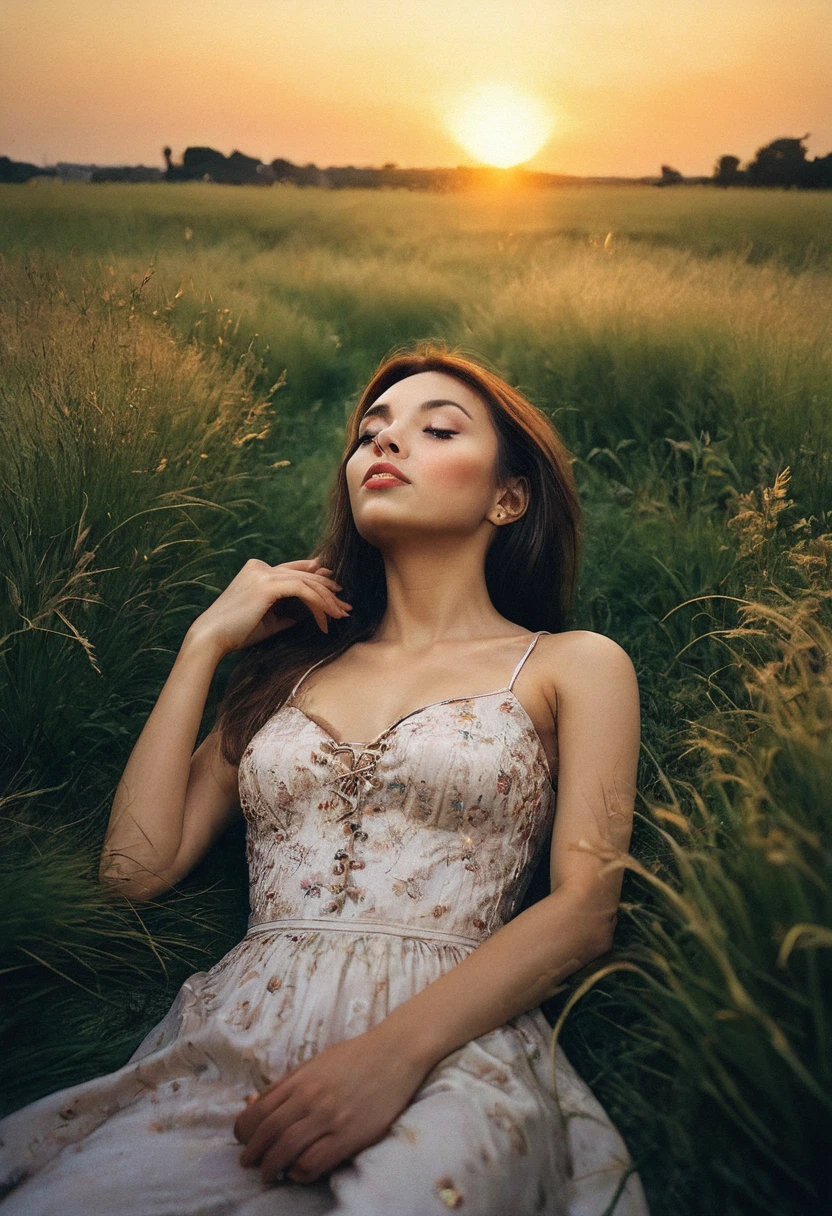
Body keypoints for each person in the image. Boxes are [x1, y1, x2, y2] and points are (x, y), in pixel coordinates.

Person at [0, 342, 649, 1215]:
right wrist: (206, 644)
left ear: (510, 496)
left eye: (435, 428)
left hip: (455, 1040)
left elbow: (585, 910)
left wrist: (391, 1057)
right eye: (371, 432)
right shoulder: (286, 675)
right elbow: (134, 871)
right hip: (239, 1032)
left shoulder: (573, 665)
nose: (384, 445)